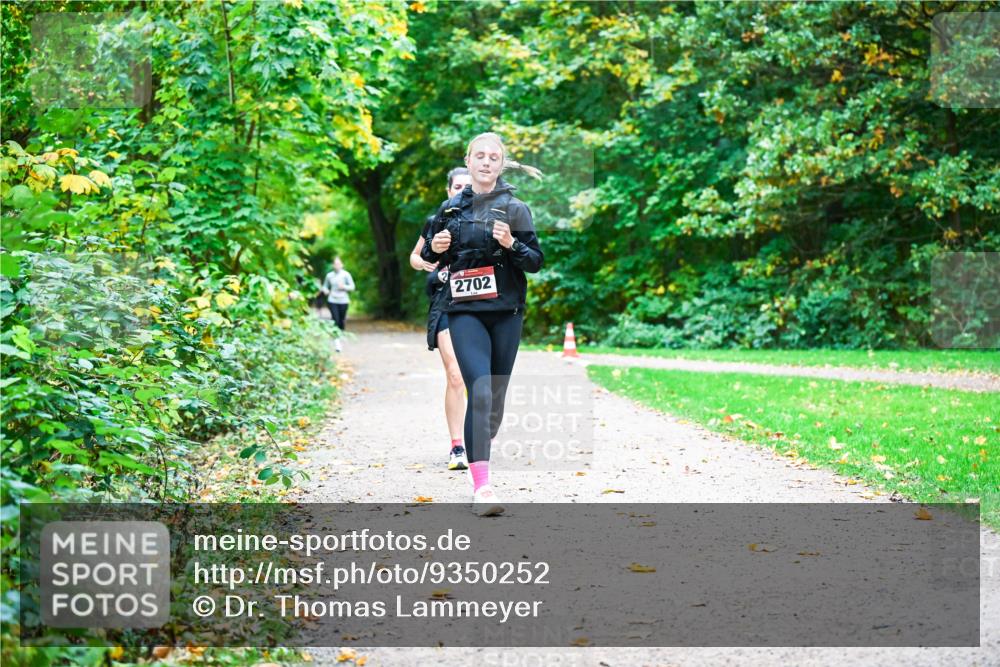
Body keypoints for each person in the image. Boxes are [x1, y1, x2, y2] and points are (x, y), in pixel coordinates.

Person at [421, 132, 543, 516]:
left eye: (494, 157)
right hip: (464, 310)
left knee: (493, 402)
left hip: (506, 312)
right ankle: (483, 488)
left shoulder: (516, 208)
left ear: (501, 164)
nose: (486, 162)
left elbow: (535, 261)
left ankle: (482, 434)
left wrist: (511, 244)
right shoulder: (450, 209)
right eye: (480, 156)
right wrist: (434, 250)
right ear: (468, 161)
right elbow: (429, 258)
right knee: (481, 389)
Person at [410, 167, 473, 471]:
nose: (462, 191)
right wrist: (426, 263)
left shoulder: (486, 220)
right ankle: (457, 446)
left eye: (468, 187)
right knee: (455, 374)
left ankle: (479, 438)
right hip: (445, 303)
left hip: (478, 307)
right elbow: (415, 256)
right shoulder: (435, 221)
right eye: (457, 186)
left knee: (480, 378)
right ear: (449, 190)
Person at [321, 256, 355, 352]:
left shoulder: (346, 275)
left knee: (341, 320)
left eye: (338, 264)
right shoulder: (329, 276)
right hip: (332, 300)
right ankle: (337, 342)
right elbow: (324, 286)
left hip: (344, 300)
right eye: (335, 264)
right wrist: (326, 290)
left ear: (342, 265)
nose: (337, 266)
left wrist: (343, 286)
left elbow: (352, 287)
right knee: (335, 319)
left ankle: (340, 335)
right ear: (333, 265)